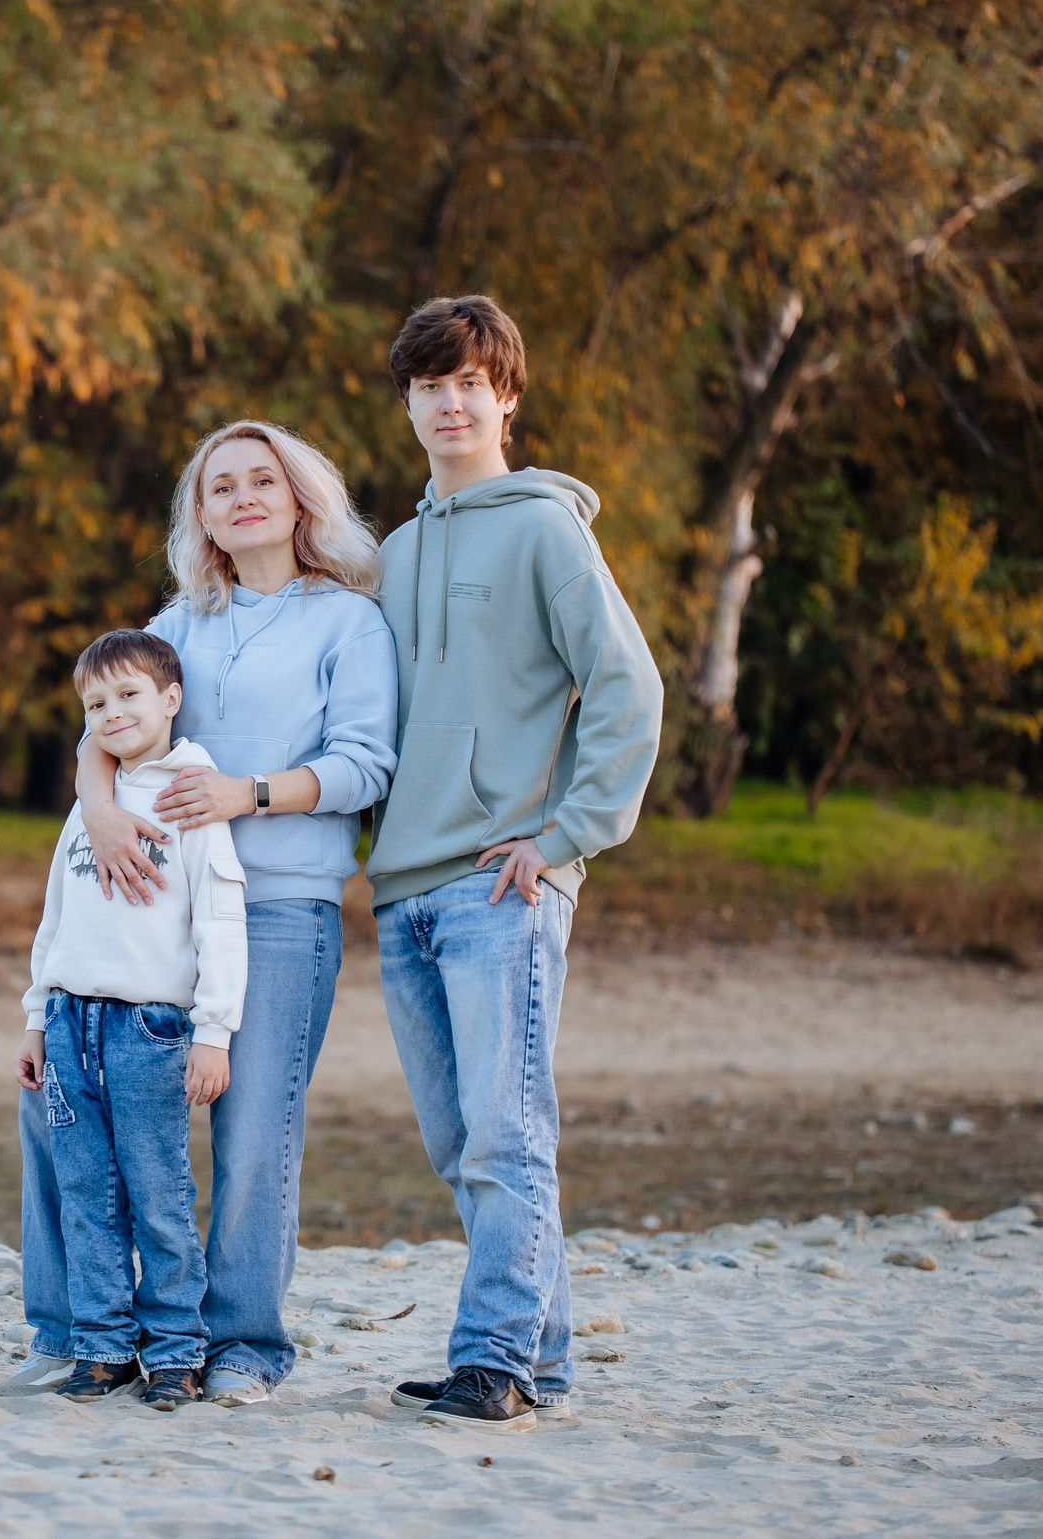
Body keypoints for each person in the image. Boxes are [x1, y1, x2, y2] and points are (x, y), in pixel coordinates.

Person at [8, 420, 399, 1407]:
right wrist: (97, 809)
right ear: (201, 516)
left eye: (261, 480)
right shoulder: (181, 618)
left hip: (278, 908)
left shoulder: (346, 623)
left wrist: (245, 794)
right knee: (56, 1105)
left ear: (301, 498)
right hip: (145, 912)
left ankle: (244, 1346)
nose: (241, 499)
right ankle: (75, 1329)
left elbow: (365, 766)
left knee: (251, 1129)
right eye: (219, 487)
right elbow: (109, 715)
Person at [366, 295, 664, 1431]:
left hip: (502, 882)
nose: (450, 402)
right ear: (407, 403)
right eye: (428, 385)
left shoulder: (546, 529)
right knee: (462, 1142)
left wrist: (565, 834)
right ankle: (539, 1357)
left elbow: (626, 689)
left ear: (506, 397)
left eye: (469, 383)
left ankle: (488, 1360)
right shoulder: (391, 555)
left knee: (505, 1131)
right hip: (403, 889)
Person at [14, 629, 247, 1409]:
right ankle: (104, 1346)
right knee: (86, 1192)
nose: (112, 713)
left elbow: (220, 920)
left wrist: (214, 1030)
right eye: (95, 703)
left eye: (129, 695)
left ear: (170, 699)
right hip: (71, 1023)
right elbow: (56, 921)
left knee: (159, 1195)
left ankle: (177, 1351)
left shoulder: (189, 796)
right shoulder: (90, 806)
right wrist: (36, 1018)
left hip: (149, 1030)